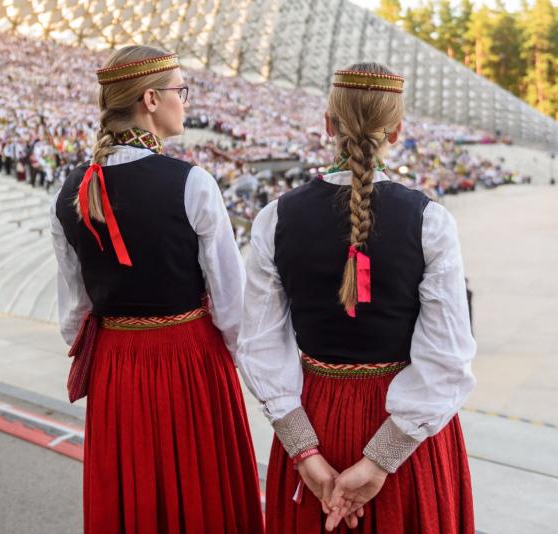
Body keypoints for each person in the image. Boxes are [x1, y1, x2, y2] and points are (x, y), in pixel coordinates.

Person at [237, 63, 476, 533]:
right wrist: (381, 459)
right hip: (404, 436)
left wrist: (304, 452)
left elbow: (259, 347)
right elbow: (448, 359)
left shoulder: (274, 219)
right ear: (397, 131)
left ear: (328, 124)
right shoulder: (430, 221)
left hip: (314, 418)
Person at [51, 45, 264, 533]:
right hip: (189, 361)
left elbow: (75, 314)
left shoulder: (66, 193)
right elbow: (231, 307)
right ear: (150, 99)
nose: (184, 102)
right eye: (179, 91)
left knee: (135, 495)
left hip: (116, 367)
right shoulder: (193, 183)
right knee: (201, 495)